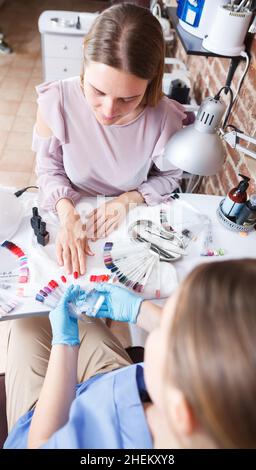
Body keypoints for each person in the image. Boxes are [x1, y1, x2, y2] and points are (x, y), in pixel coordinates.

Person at [4, 259, 256, 449]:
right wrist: (140, 311)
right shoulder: (208, 403)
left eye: (167, 330)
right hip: (113, 382)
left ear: (181, 412)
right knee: (78, 320)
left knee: (25, 325)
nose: (160, 327)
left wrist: (65, 344)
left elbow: (43, 442)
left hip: (45, 421)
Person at [34, 3, 186, 276]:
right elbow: (48, 169)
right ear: (84, 53)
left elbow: (171, 177)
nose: (108, 111)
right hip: (69, 214)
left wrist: (129, 199)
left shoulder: (166, 118)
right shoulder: (55, 101)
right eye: (97, 91)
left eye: (128, 98)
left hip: (130, 223)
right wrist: (67, 213)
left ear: (150, 81)